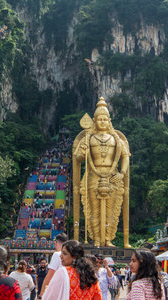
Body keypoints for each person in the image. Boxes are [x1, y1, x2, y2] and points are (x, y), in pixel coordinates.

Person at [72, 97, 131, 248]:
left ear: (109, 120)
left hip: (112, 176)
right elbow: (77, 158)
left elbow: (125, 156)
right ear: (94, 120)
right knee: (94, 210)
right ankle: (97, 239)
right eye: (100, 119)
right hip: (93, 176)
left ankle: (108, 239)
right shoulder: (89, 137)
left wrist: (122, 173)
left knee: (110, 210)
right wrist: (83, 151)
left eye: (105, 119)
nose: (103, 122)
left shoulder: (115, 138)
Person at [39, 233, 68, 298]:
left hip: (59, 290)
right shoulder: (72, 256)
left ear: (55, 243)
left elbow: (48, 278)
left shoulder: (57, 254)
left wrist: (41, 295)